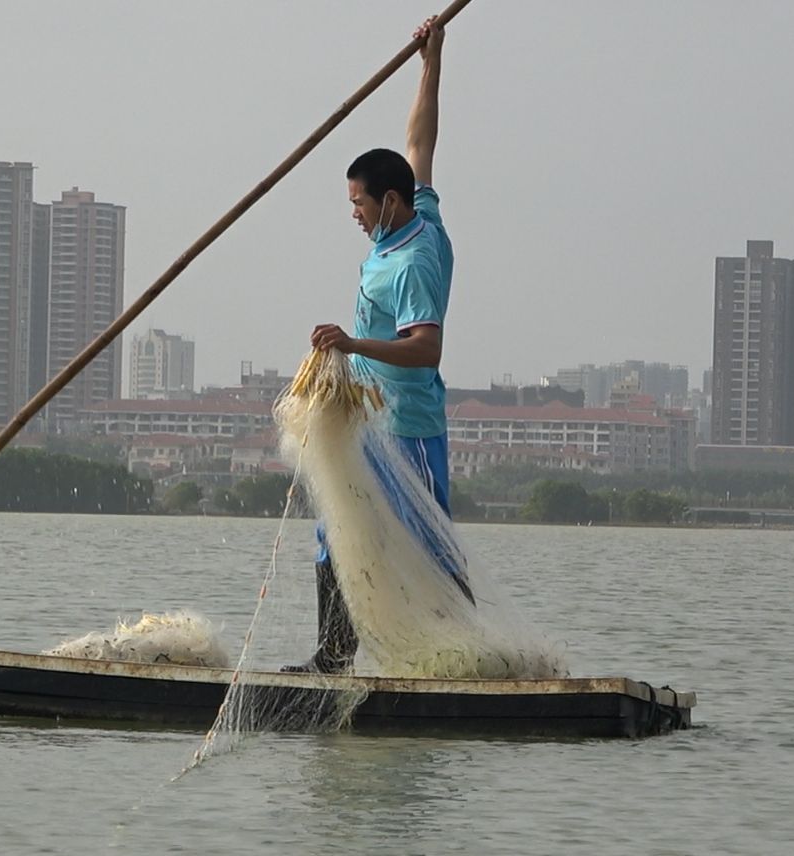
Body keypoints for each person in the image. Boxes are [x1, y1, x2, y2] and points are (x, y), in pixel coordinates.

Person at [286, 15, 470, 675]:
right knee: (334, 533)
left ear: (388, 201)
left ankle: (473, 656)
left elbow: (425, 348)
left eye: (359, 201)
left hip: (409, 427)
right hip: (366, 420)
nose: (353, 212)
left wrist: (351, 340)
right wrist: (431, 60)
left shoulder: (417, 256)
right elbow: (419, 138)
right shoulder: (414, 207)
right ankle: (333, 659)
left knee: (427, 546)